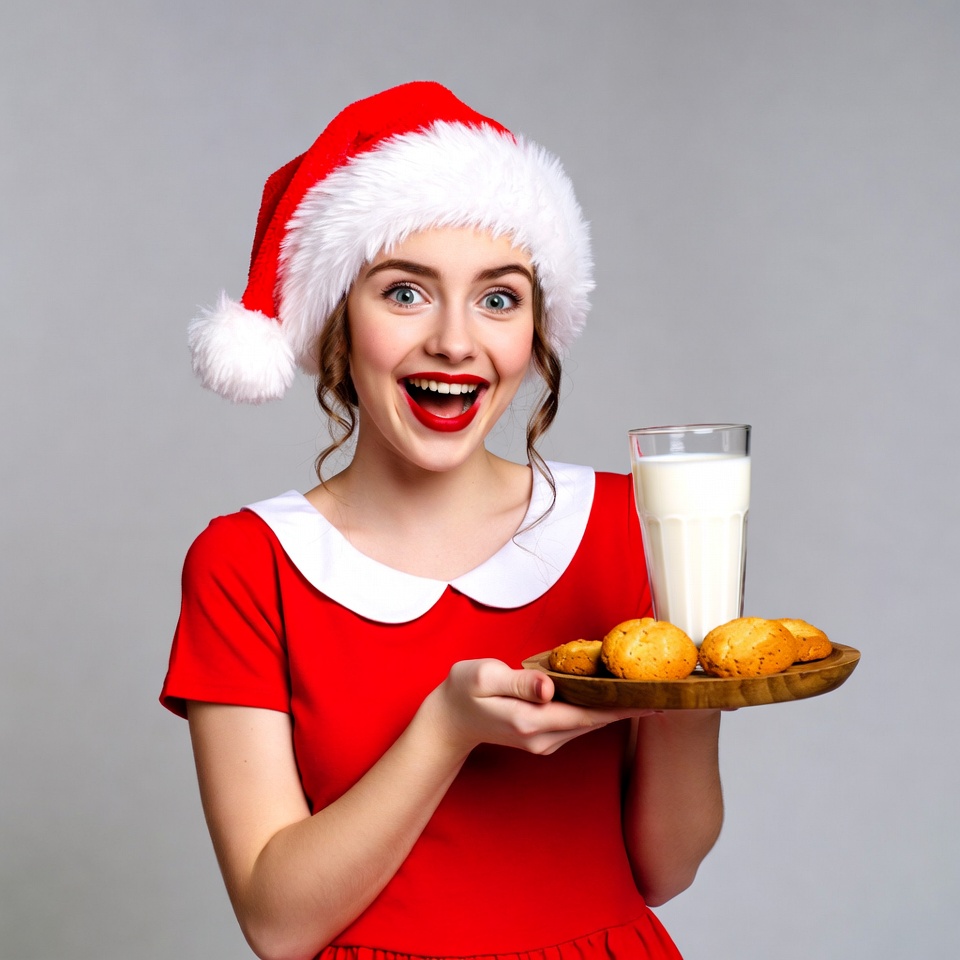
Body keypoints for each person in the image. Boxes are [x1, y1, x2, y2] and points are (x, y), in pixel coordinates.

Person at [160, 81, 723, 960]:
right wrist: (446, 729)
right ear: (338, 319)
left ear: (537, 328)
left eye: (498, 298)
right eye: (406, 293)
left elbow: (665, 866)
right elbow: (277, 923)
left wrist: (695, 689)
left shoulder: (630, 521)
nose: (457, 343)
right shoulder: (247, 564)